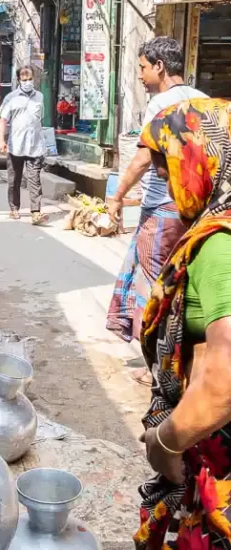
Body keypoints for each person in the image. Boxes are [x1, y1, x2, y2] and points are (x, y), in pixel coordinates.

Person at [133, 97, 231, 548]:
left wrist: (167, 441)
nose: (164, 184)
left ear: (200, 161)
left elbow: (226, 375)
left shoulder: (218, 249)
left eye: (167, 167)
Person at [106, 37, 208, 386]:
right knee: (183, 284)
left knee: (152, 287)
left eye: (143, 68)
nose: (139, 75)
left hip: (163, 208)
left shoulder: (161, 105)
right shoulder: (204, 101)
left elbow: (144, 157)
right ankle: (182, 363)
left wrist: (117, 195)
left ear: (160, 67)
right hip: (196, 211)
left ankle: (158, 370)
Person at [0, 66, 47, 226]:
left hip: (35, 146)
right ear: (18, 80)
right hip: (16, 146)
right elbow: (3, 120)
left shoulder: (40, 96)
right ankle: (14, 208)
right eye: (24, 80)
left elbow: (41, 119)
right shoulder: (11, 97)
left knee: (34, 180)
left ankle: (36, 212)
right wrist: (1, 141)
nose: (28, 82)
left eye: (30, 79)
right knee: (14, 180)